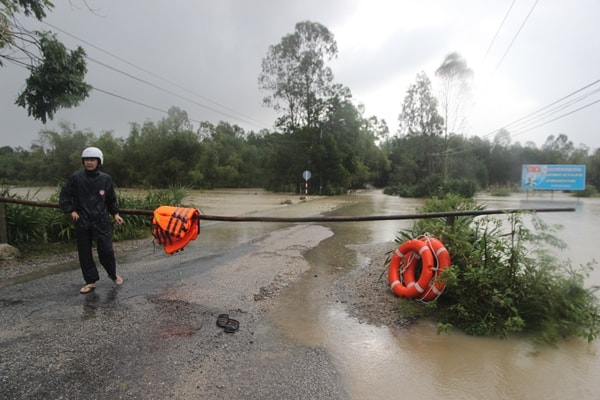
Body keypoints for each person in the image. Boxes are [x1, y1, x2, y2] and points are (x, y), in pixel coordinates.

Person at [59, 147, 124, 294]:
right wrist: (71, 210)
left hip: (101, 220)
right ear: (83, 161)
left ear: (99, 161)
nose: (89, 162)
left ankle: (113, 274)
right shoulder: (76, 178)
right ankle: (90, 281)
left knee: (106, 250)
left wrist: (116, 214)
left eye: (92, 160)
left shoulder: (105, 179)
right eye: (87, 160)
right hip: (82, 219)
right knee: (84, 252)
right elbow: (65, 195)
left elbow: (111, 199)